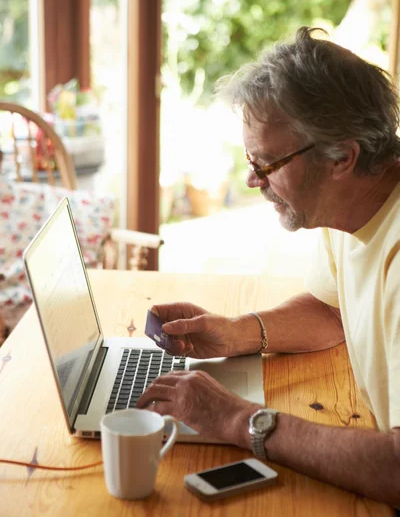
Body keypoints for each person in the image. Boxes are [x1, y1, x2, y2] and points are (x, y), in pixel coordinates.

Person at [137, 27, 400, 506]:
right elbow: (330, 311)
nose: (252, 179)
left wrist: (239, 420)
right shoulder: (349, 206)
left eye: (267, 163)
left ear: (342, 156)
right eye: (250, 159)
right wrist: (235, 333)